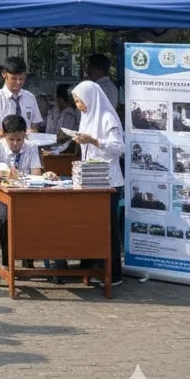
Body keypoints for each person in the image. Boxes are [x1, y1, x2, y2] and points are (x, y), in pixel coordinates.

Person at [72, 80, 126, 285]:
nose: (79, 105)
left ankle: (112, 273)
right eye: (76, 101)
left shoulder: (107, 117)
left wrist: (93, 141)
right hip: (90, 178)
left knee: (107, 227)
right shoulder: (87, 117)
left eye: (80, 101)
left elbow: (118, 147)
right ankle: (91, 269)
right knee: (91, 225)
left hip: (108, 181)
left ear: (91, 98)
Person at [0, 114, 44, 269]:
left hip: (25, 194)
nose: (16, 143)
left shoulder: (32, 147)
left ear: (25, 135)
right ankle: (7, 260)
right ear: (4, 135)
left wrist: (26, 177)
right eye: (11, 140)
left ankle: (28, 258)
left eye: (19, 139)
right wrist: (4, 174)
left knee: (35, 215)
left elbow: (36, 173)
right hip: (0, 195)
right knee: (5, 218)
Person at [0, 58, 42, 138]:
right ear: (4, 75)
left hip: (27, 144)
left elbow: (35, 124)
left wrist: (33, 131)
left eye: (21, 79)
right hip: (3, 144)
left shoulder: (30, 97)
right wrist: (11, 134)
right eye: (14, 79)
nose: (18, 82)